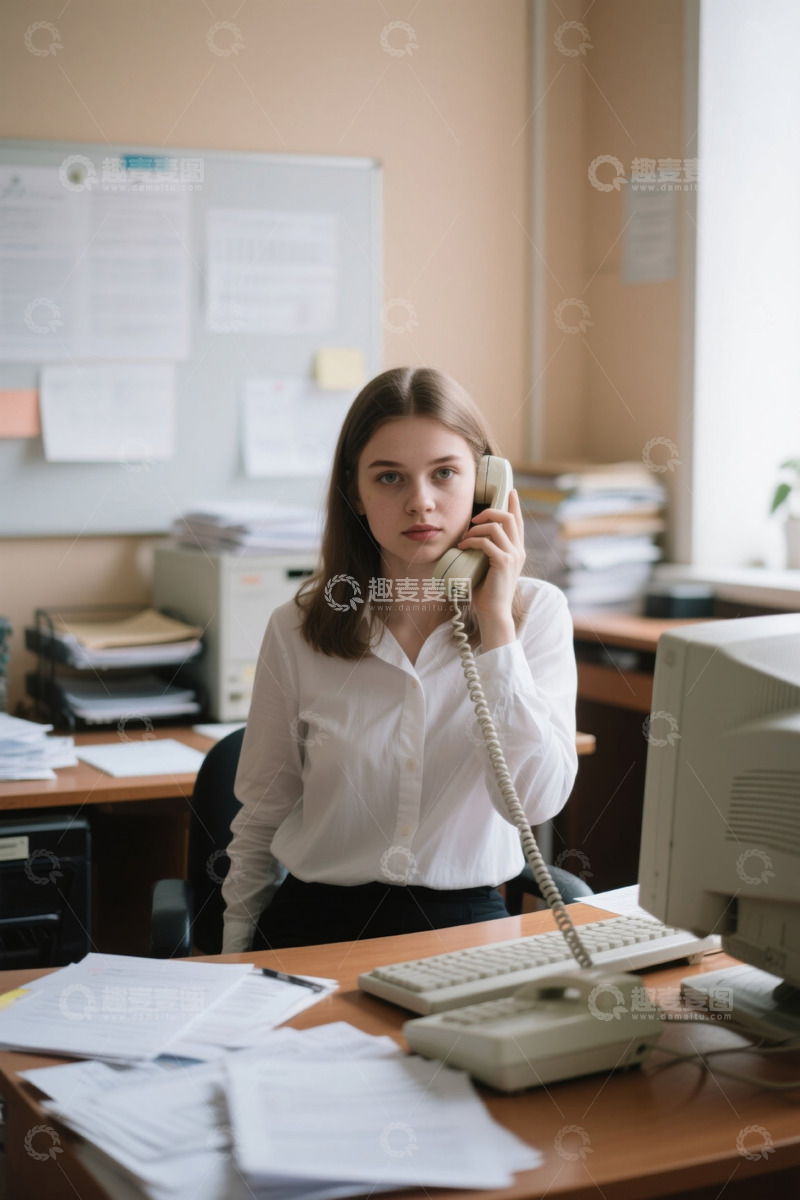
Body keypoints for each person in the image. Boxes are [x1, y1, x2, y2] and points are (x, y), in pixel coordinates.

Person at [221, 367, 578, 953]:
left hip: (466, 924)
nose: (421, 502)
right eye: (389, 478)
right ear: (355, 493)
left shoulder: (536, 615)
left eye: (445, 473)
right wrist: (233, 956)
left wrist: (494, 626)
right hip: (314, 924)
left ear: (486, 483)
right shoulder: (296, 628)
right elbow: (260, 820)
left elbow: (535, 799)